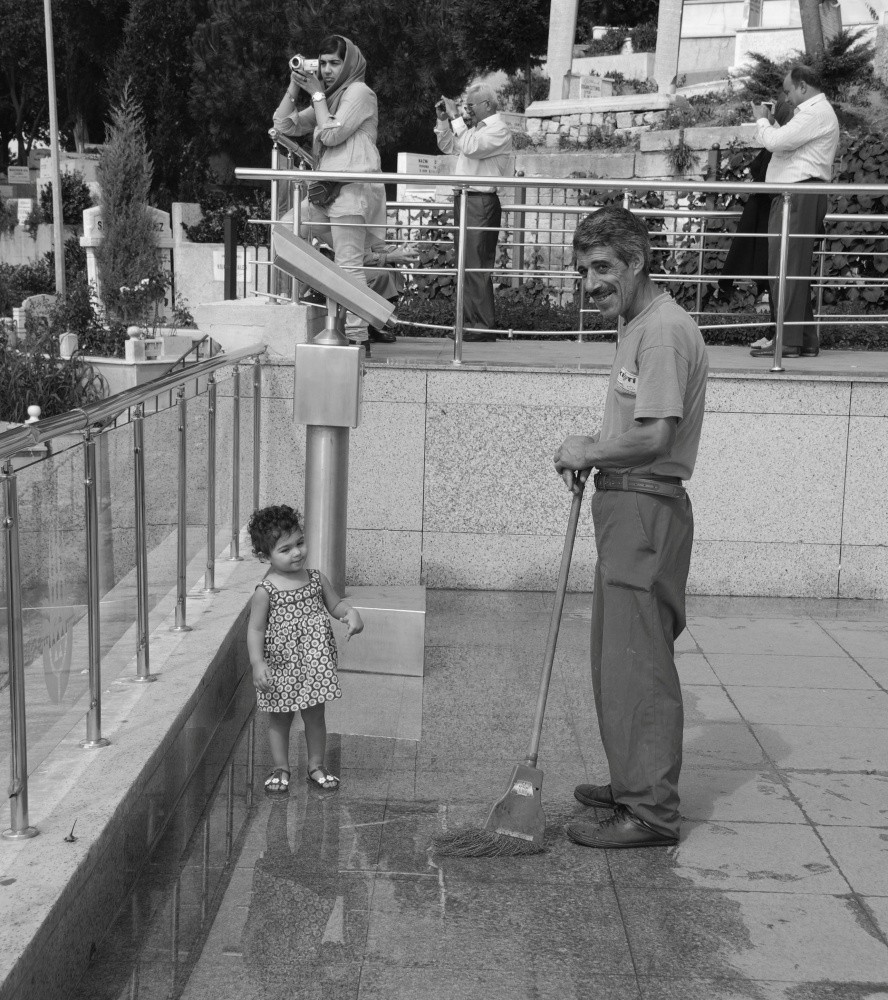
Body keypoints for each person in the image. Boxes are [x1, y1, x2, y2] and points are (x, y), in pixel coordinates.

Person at [553, 207, 708, 849]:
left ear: (637, 262)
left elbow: (655, 434)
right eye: (583, 269)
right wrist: (598, 452)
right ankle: (629, 782)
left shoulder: (662, 332)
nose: (590, 282)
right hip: (630, 507)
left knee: (638, 661)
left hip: (645, 509)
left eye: (603, 268)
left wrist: (588, 450)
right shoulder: (639, 323)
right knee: (616, 657)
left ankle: (649, 811)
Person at [272, 35, 386, 352]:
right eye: (322, 63)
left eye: (335, 62)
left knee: (349, 265)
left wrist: (317, 94)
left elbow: (332, 133)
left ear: (349, 63)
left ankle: (358, 338)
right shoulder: (329, 98)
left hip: (352, 187)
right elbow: (282, 125)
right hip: (326, 193)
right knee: (286, 228)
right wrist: (295, 87)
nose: (327, 69)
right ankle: (352, 290)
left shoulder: (360, 93)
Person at [246, 504, 363, 793]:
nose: (297, 552)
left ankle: (316, 765)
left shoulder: (315, 579)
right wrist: (257, 663)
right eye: (285, 549)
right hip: (281, 665)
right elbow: (255, 629)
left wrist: (351, 614)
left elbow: (334, 605)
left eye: (299, 543)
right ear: (265, 556)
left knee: (315, 715)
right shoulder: (266, 590)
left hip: (314, 663)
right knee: (280, 717)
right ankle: (281, 767)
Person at [749, 65, 839, 358]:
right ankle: (803, 339)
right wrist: (773, 125)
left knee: (785, 268)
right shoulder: (811, 114)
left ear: (803, 87)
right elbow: (784, 146)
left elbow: (774, 143)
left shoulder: (815, 112)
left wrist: (761, 122)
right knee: (791, 269)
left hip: (797, 196)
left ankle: (788, 342)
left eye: (788, 91)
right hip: (796, 195)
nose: (786, 97)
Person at [712, 99, 794, 348]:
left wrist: (765, 123)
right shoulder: (783, 138)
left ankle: (777, 334)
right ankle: (775, 333)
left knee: (777, 275)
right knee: (774, 275)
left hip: (773, 210)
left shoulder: (786, 140)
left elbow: (769, 168)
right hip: (767, 211)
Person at [434, 84, 513, 342]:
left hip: (482, 201)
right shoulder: (472, 131)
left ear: (487, 105)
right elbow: (448, 145)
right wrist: (444, 120)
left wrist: (457, 117)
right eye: (466, 107)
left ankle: (483, 326)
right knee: (464, 265)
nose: (468, 111)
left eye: (471, 106)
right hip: (466, 199)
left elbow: (470, 147)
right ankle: (468, 323)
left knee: (477, 264)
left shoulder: (498, 130)